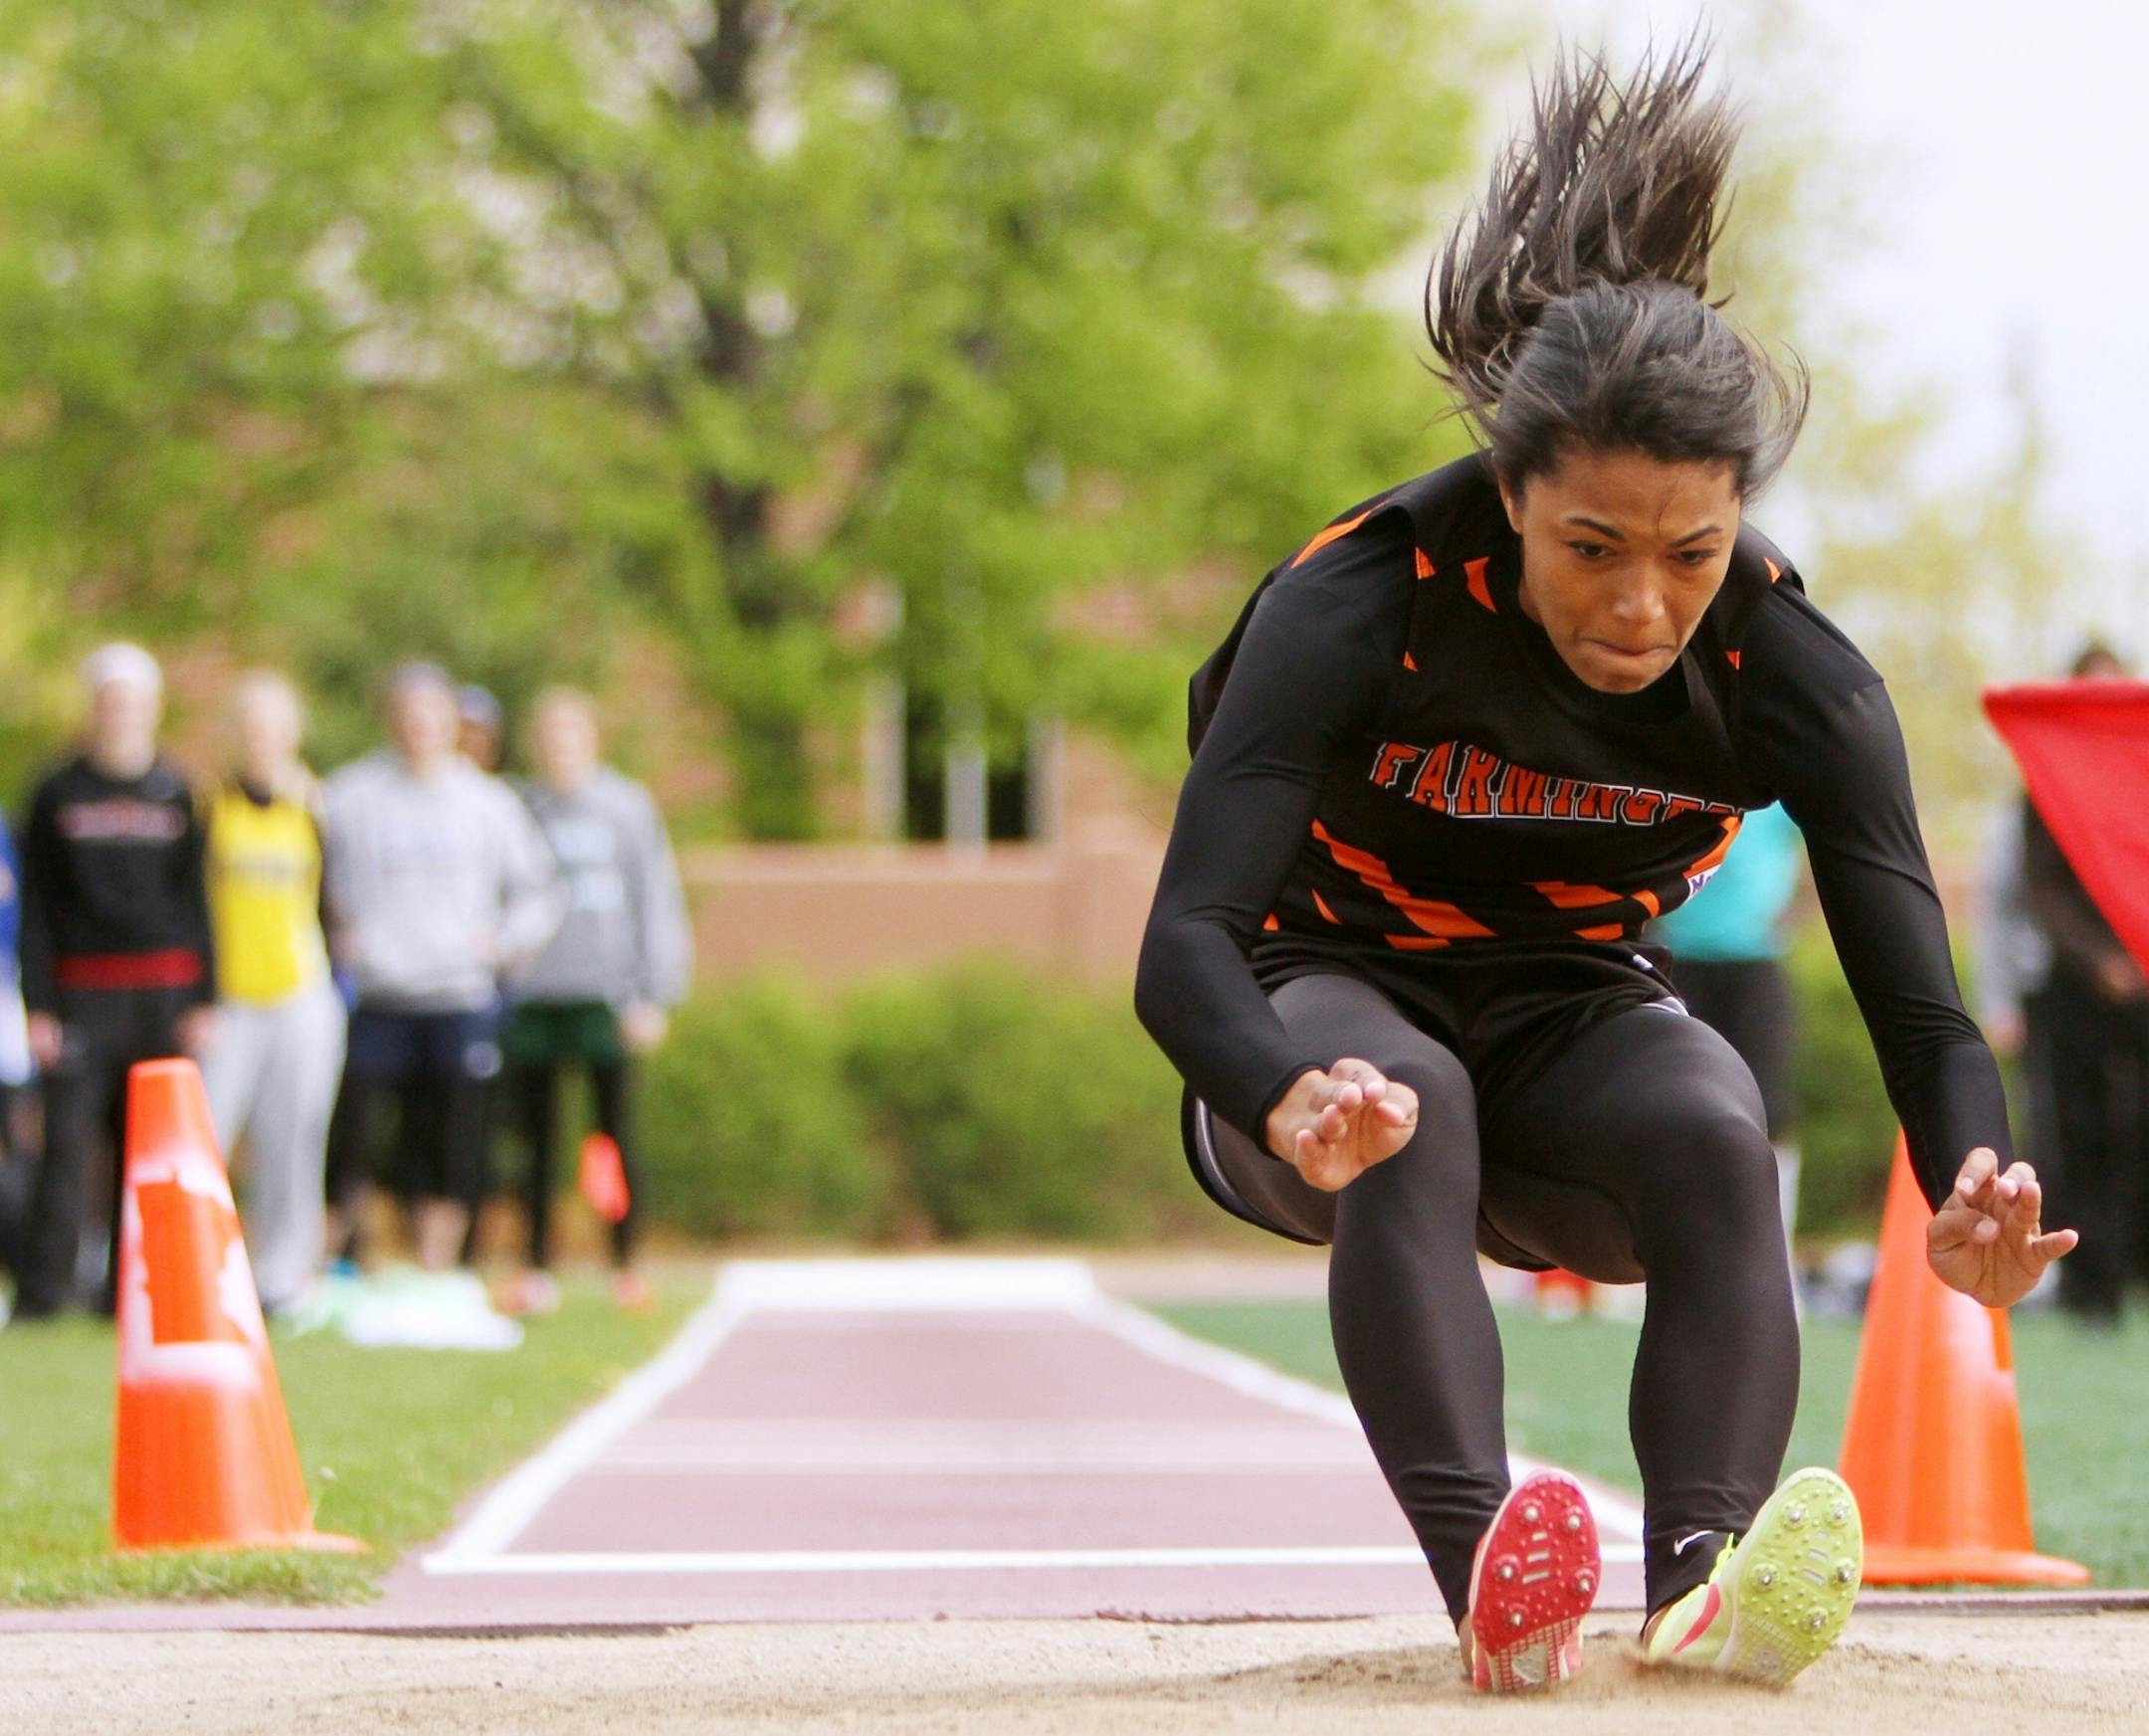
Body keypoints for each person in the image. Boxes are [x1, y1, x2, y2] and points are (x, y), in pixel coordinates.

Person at [1134, 42, 2074, 1695]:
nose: (1643, 605)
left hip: (1568, 1006)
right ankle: (1494, 1584)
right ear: (1511, 495)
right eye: (1592, 549)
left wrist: (1979, 1177)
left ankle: (1701, 1585)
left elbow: (1918, 1006)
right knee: (1403, 1101)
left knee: (1718, 1131)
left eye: (1689, 554)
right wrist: (1280, 1087)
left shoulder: (1793, 672)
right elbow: (1186, 938)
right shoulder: (1360, 602)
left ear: (1739, 529)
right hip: (1312, 997)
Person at [320, 664, 563, 1272]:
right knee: (352, 1138)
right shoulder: (350, 797)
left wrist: (505, 943)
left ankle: (435, 1265)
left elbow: (541, 890)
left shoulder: (487, 803)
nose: (419, 728)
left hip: (457, 995)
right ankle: (330, 1262)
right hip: (377, 995)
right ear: (390, 720)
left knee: (450, 1142)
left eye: (432, 716)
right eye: (408, 715)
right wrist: (338, 937)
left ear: (453, 723)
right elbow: (310, 877)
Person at [14, 645, 217, 1318]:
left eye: (132, 701)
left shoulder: (178, 791)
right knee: (67, 1144)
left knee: (151, 1148)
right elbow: (36, 909)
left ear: (152, 710)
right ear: (93, 708)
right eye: (109, 700)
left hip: (161, 995)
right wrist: (38, 1004)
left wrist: (203, 997)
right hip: (80, 993)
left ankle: (136, 1295)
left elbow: (197, 901)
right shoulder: (55, 793)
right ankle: (44, 1295)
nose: (120, 714)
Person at [498, 689, 691, 1314]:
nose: (560, 747)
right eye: (549, 736)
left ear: (592, 740)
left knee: (610, 1137)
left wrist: (652, 992)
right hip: (537, 995)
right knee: (538, 1138)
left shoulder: (627, 808)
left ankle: (624, 1262)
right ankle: (536, 1266)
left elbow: (654, 897)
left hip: (606, 996)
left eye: (571, 735)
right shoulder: (523, 808)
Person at [197, 672, 348, 1316]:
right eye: (249, 725)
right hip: (229, 998)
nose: (261, 738)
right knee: (207, 1136)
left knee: (294, 1138)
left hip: (301, 994)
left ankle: (283, 1277)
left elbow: (341, 902)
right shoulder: (210, 809)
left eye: (273, 725)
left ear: (292, 732)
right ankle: (200, 1272)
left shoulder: (317, 807)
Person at [2020, 644, 2146, 1327]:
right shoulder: (2047, 780)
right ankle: (2090, 1286)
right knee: (2077, 1132)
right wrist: (2100, 958)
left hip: (2145, 975)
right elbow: (2044, 887)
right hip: (2076, 984)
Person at [1649, 801, 1806, 1244]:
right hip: (1678, 961)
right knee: (1672, 1102)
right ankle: (1669, 1245)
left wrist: (1794, 911)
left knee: (1767, 1106)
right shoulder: (1679, 786)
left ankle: (1771, 1243)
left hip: (1756, 963)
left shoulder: (1774, 802)